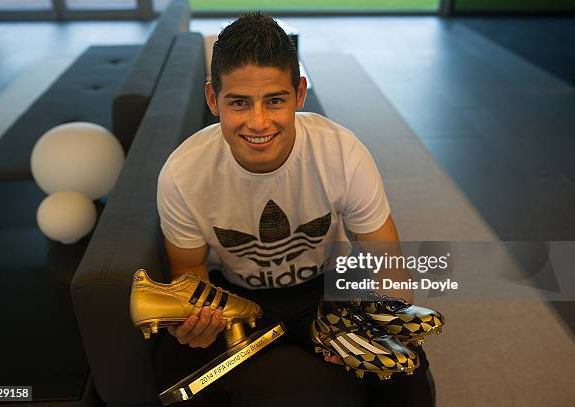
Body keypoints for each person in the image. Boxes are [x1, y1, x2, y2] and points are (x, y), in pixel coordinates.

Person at [155, 12, 433, 407]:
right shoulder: (182, 173)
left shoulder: (342, 153)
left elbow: (386, 260)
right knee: (177, 384)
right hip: (235, 294)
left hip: (331, 285)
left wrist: (388, 324)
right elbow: (189, 269)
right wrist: (197, 321)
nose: (258, 122)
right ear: (213, 100)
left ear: (299, 94)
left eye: (274, 100)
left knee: (405, 371)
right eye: (238, 102)